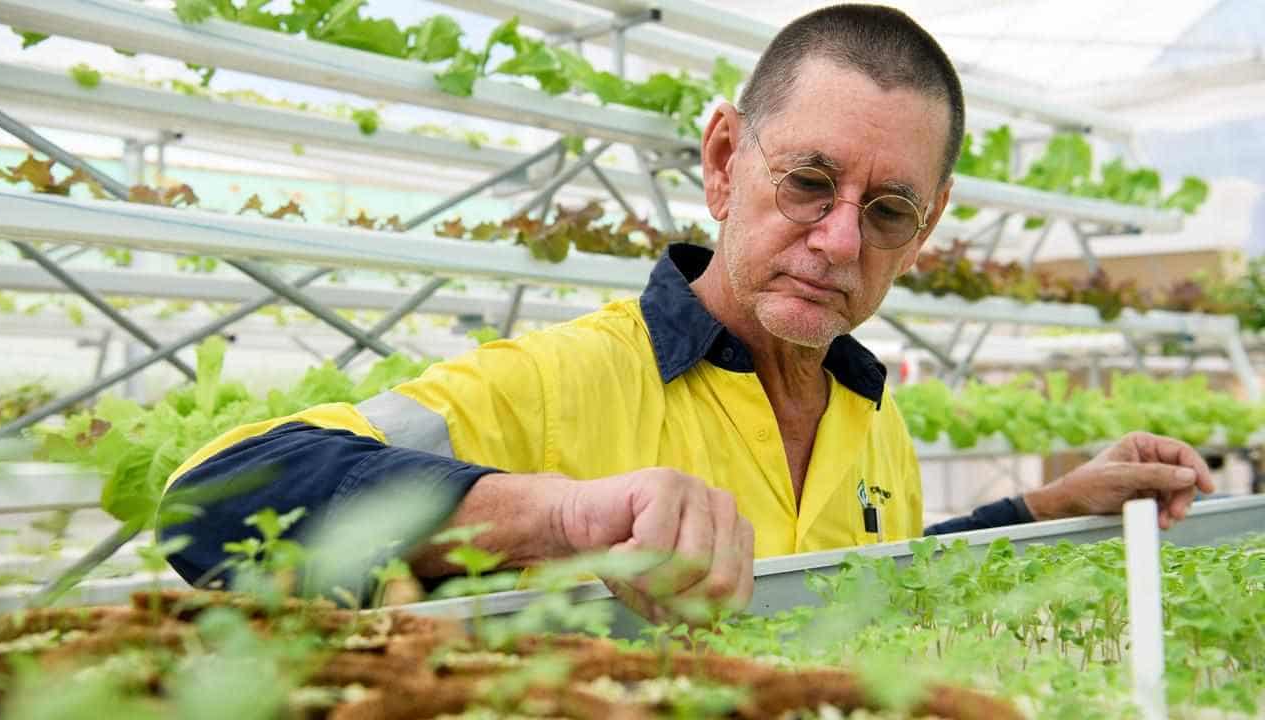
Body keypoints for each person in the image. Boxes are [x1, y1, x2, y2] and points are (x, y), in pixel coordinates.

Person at [161, 4, 1214, 620]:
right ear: (721, 161)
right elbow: (209, 501)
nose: (839, 240)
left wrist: (1045, 506)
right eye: (807, 180)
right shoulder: (560, 381)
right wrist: (561, 517)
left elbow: (850, 575)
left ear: (926, 225)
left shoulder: (865, 407)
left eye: (886, 209)